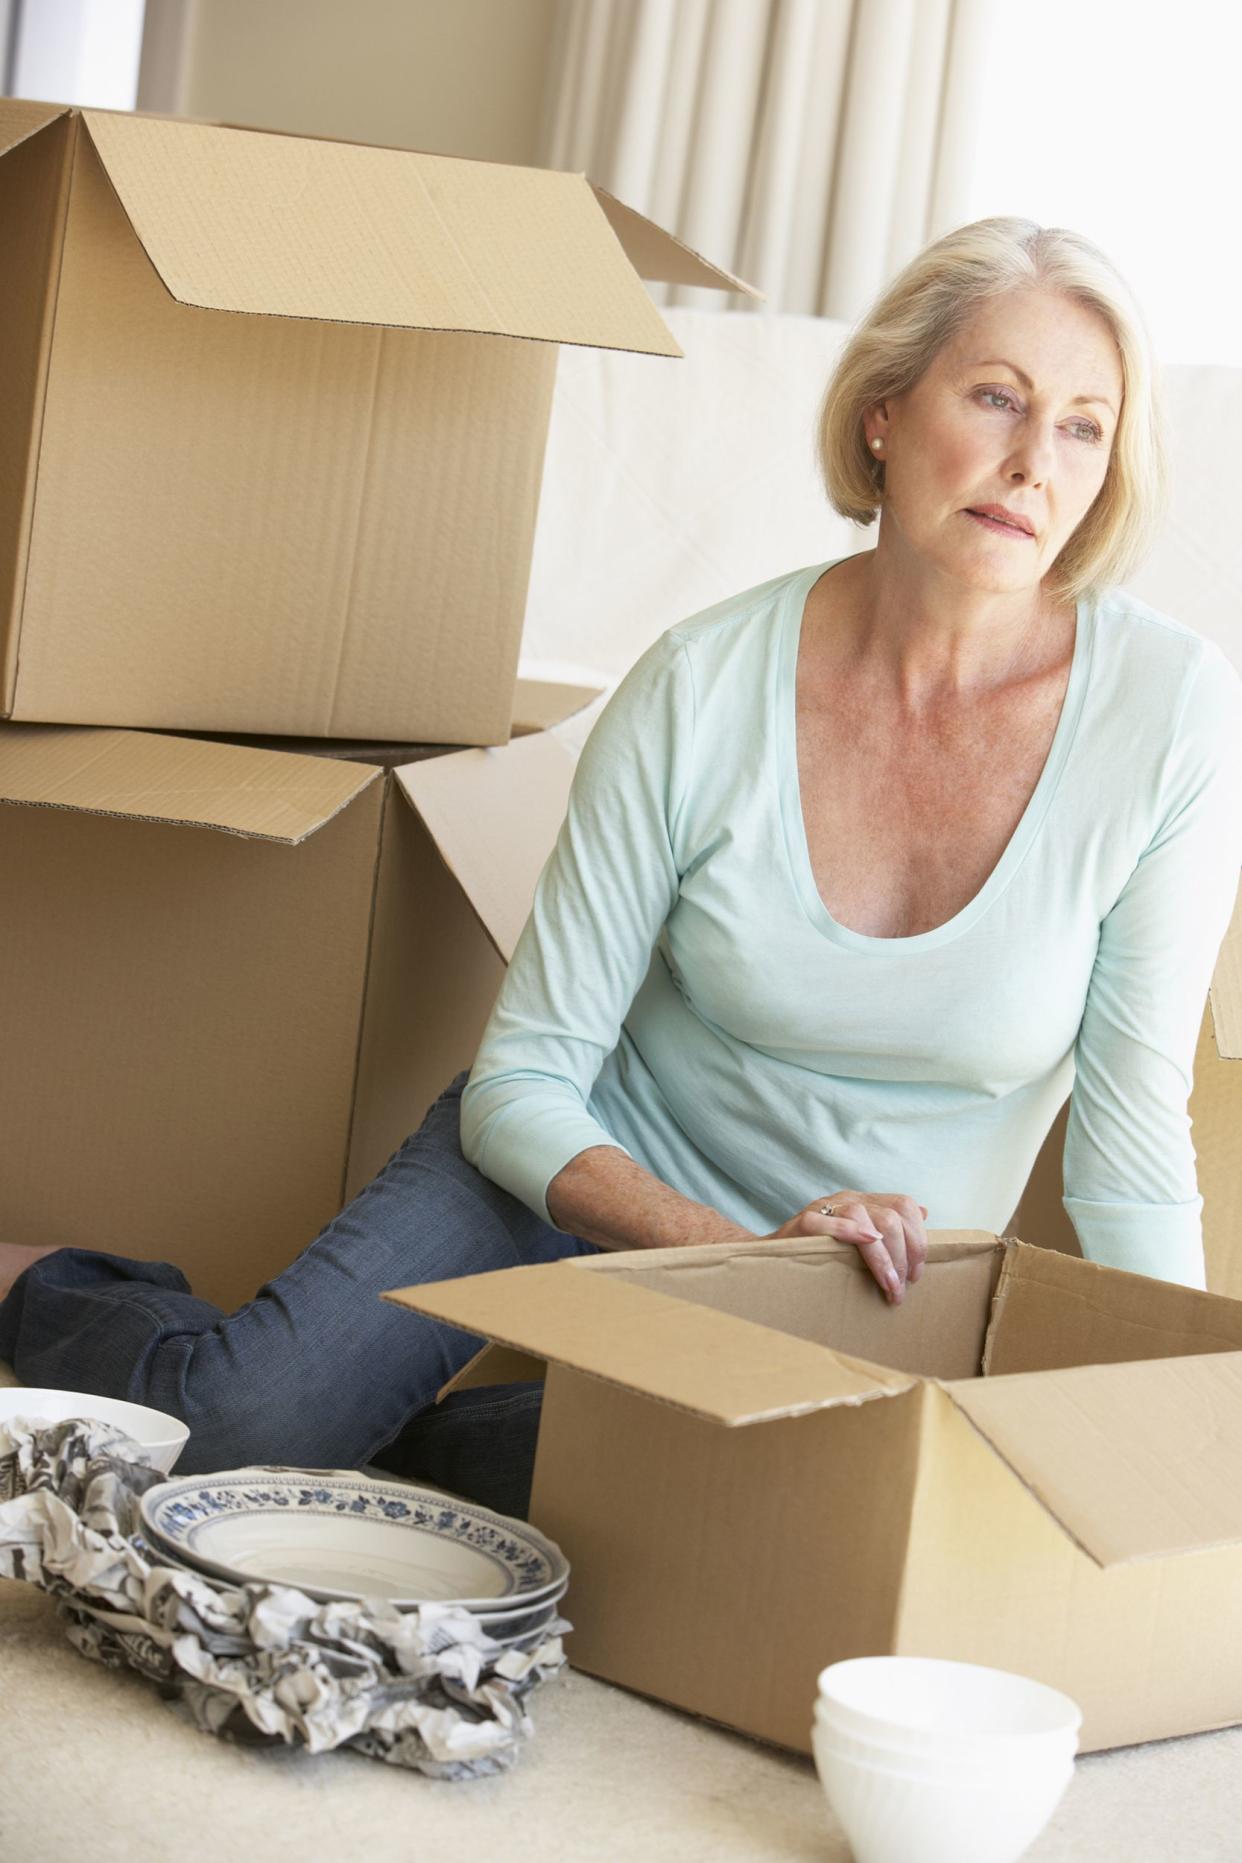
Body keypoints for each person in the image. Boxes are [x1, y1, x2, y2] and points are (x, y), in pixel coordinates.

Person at [2, 216, 1239, 1518]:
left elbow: (1126, 1148)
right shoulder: (699, 684)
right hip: (586, 1163)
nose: (1032, 463)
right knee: (237, 1432)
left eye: (1084, 426)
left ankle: (363, 1432)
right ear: (884, 412)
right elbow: (527, 1081)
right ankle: (42, 1289)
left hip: (863, 1302)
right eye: (996, 397)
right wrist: (736, 1254)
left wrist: (1192, 1415)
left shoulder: (1165, 715)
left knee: (711, 1520)